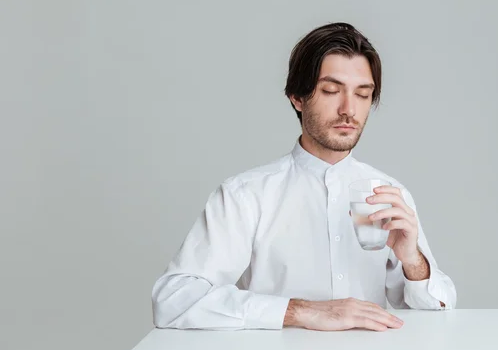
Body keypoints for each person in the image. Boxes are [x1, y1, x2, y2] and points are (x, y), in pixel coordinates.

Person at [151, 22, 457, 332]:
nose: (349, 110)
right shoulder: (245, 195)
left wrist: (413, 261)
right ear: (298, 97)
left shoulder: (391, 195)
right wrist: (300, 311)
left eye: (363, 94)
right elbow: (172, 300)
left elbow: (437, 314)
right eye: (331, 91)